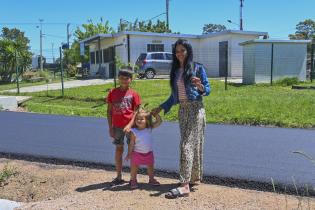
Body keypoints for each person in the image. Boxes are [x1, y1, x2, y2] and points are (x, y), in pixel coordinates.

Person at [151, 39, 211, 198]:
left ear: (188, 51)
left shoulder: (198, 68)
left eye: (182, 50)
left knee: (186, 145)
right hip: (183, 111)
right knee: (190, 144)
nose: (180, 54)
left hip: (196, 110)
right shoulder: (175, 71)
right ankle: (192, 178)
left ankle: (184, 185)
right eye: (177, 51)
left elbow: (208, 90)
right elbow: (173, 97)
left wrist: (199, 86)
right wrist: (161, 107)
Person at [106, 69, 141, 185]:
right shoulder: (112, 93)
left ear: (130, 80)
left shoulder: (134, 94)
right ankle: (118, 176)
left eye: (126, 78)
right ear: (118, 78)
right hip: (117, 127)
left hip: (131, 127)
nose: (124, 80)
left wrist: (130, 124)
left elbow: (136, 112)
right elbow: (109, 111)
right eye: (121, 78)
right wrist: (110, 127)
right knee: (119, 149)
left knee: (133, 151)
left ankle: (133, 178)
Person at [125, 108, 162, 189]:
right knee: (134, 167)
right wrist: (129, 153)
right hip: (136, 153)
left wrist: (155, 114)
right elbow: (131, 143)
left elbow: (159, 122)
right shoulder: (134, 131)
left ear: (147, 120)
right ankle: (133, 180)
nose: (139, 120)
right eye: (137, 119)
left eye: (141, 119)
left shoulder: (149, 128)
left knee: (150, 167)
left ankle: (151, 179)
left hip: (149, 152)